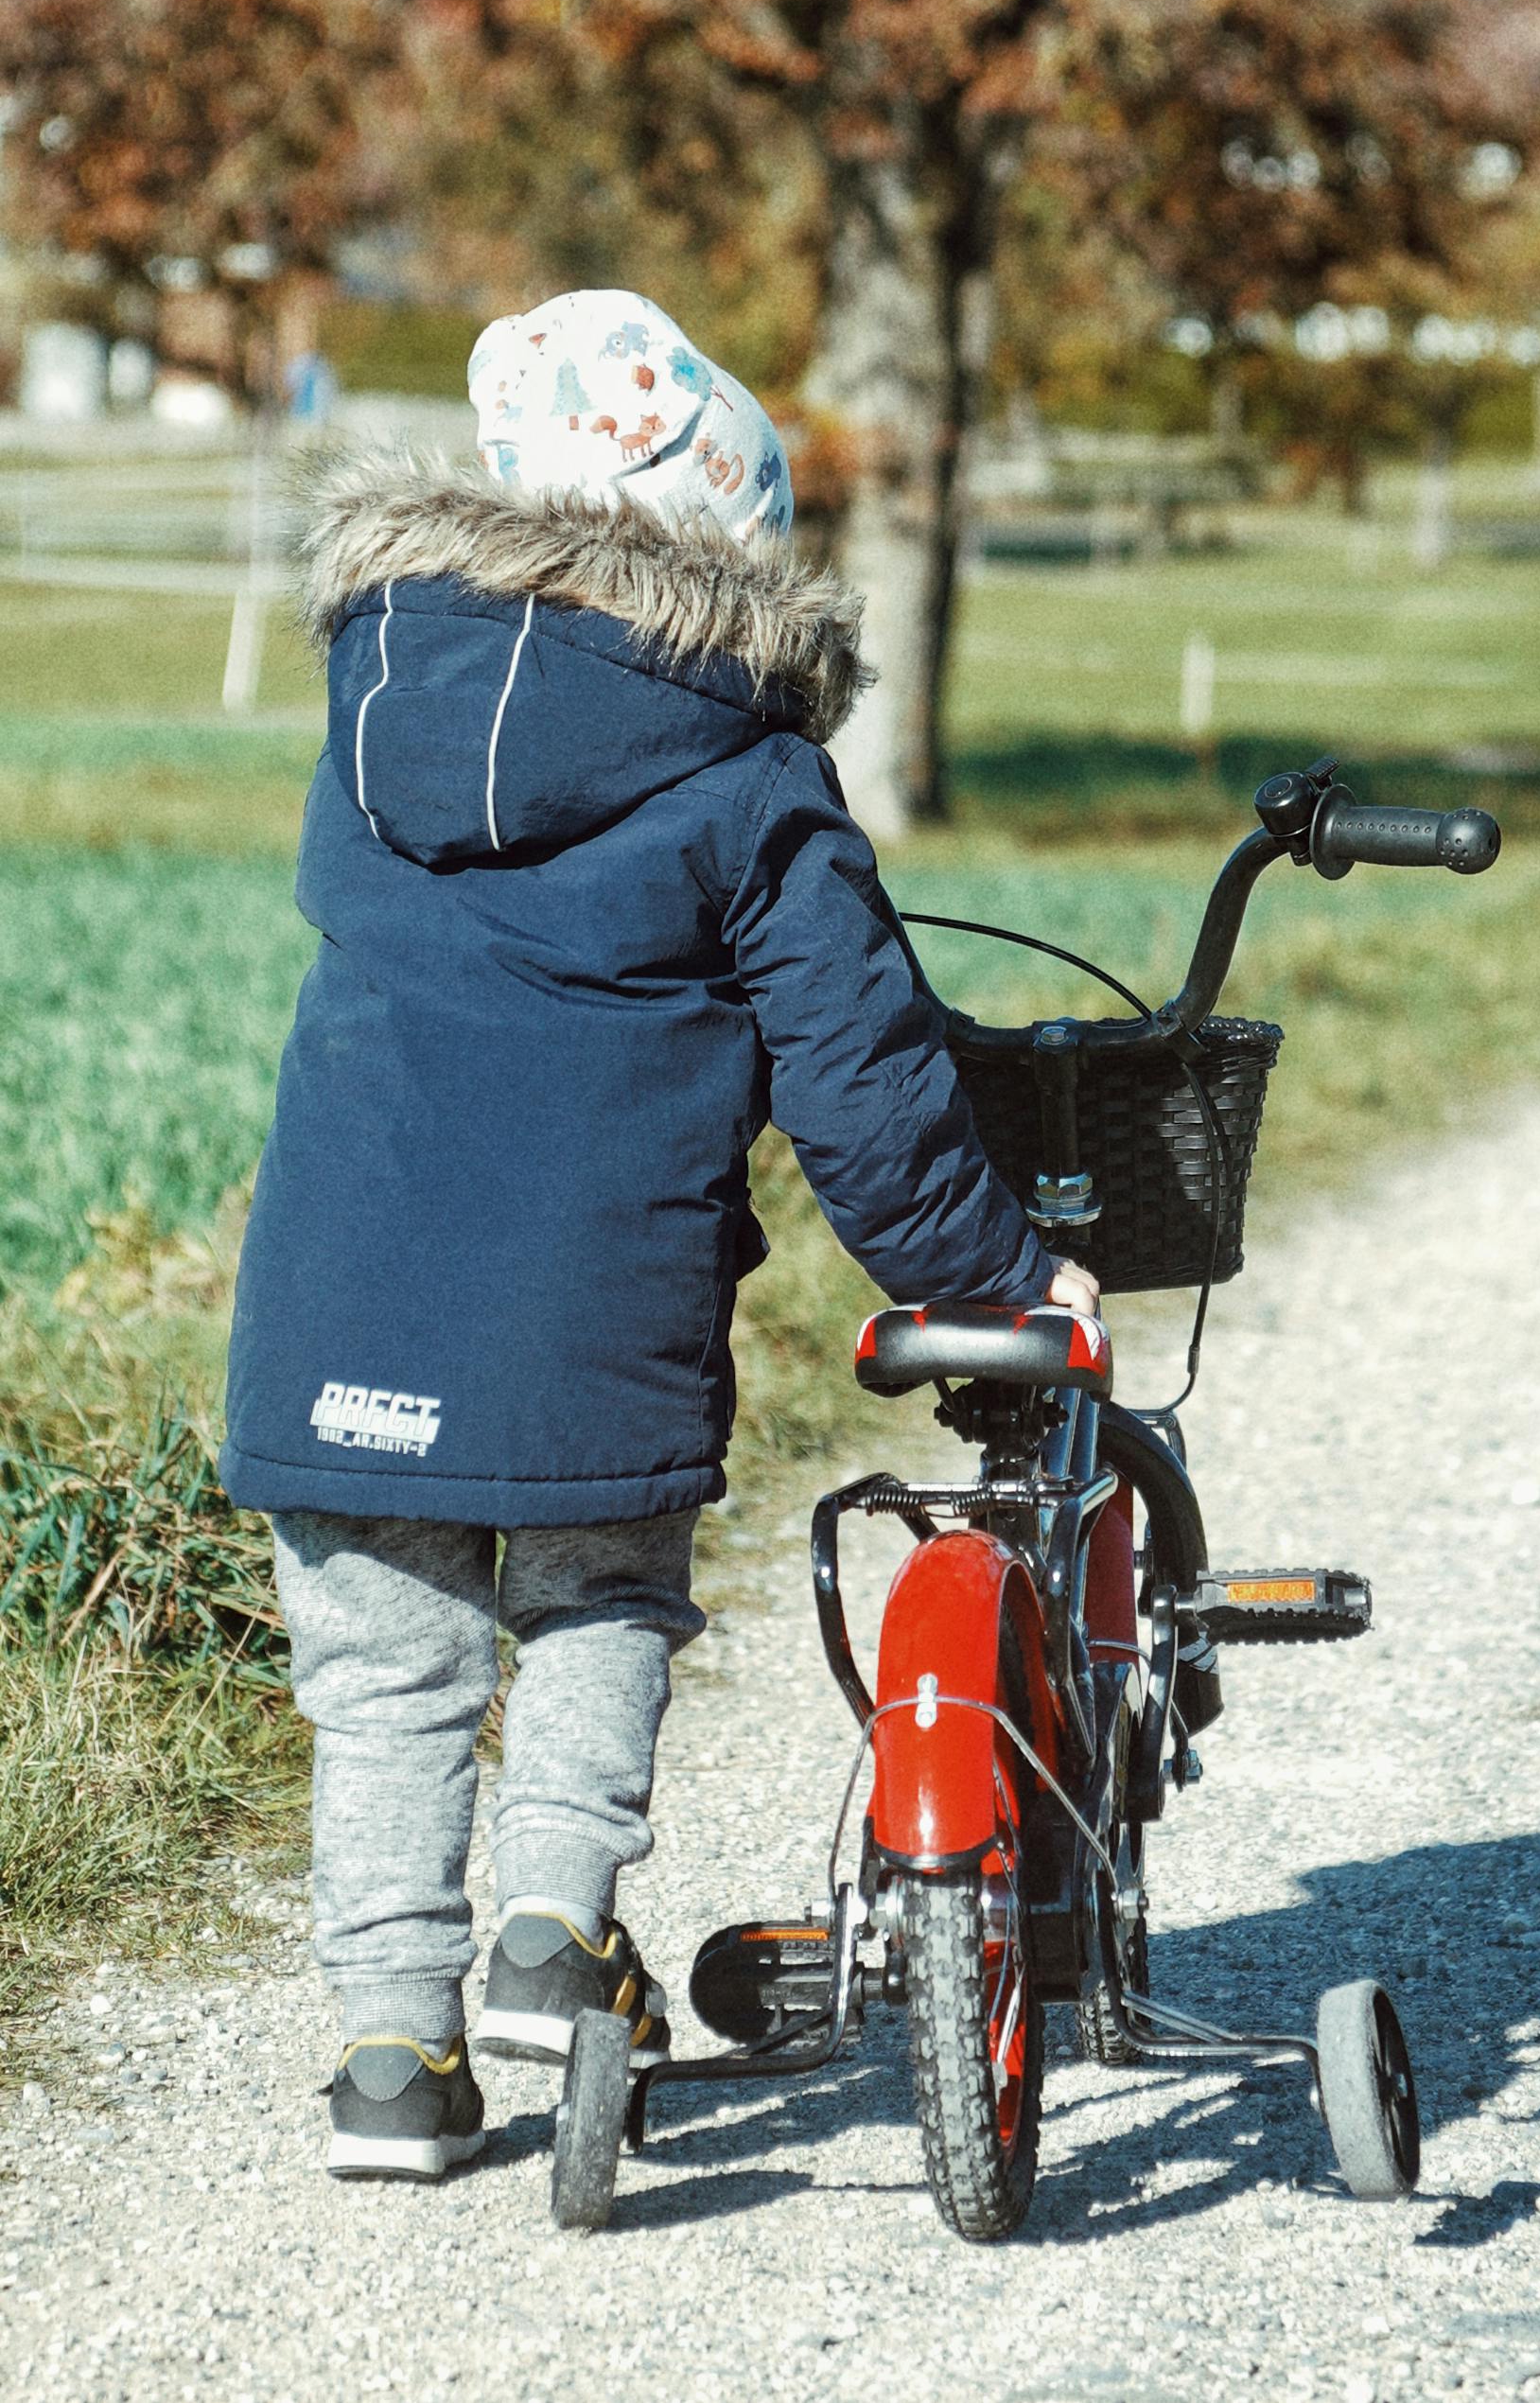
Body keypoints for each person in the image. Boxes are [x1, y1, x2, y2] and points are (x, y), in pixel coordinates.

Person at [218, 288, 1093, 2181]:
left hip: (331, 1286)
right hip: (585, 1294)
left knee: (381, 1674)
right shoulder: (748, 770)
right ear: (730, 535)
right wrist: (996, 1276)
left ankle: (390, 2060)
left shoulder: (376, 717)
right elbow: (863, 1084)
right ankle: (552, 1927)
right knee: (596, 1593)